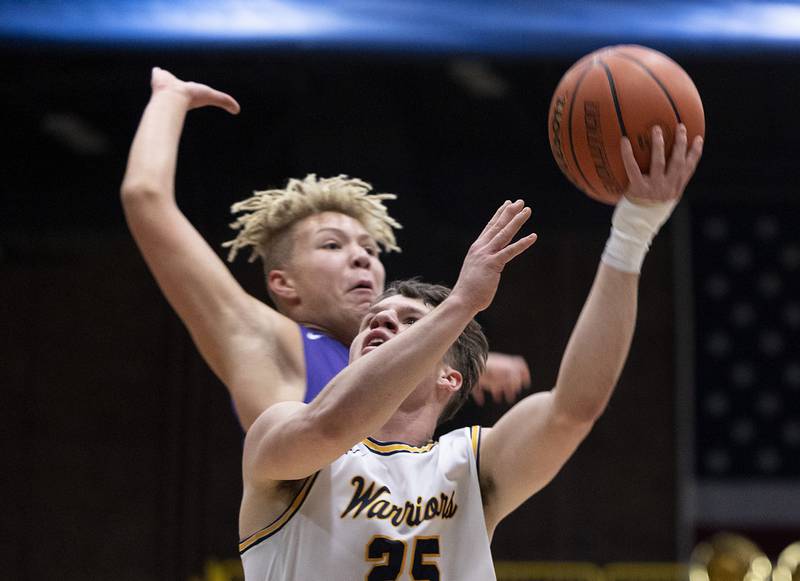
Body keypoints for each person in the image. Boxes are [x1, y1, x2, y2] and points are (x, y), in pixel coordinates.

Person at [238, 125, 703, 579]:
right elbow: (330, 426)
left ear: (449, 377)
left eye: (410, 322)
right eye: (374, 320)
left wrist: (632, 233)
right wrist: (461, 303)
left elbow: (574, 409)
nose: (382, 320)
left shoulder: (469, 466)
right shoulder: (282, 431)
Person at [120, 68, 531, 432]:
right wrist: (170, 98)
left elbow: (403, 356)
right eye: (332, 245)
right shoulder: (268, 340)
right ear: (285, 284)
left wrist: (462, 359)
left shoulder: (393, 360)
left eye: (370, 249)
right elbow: (145, 197)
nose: (362, 257)